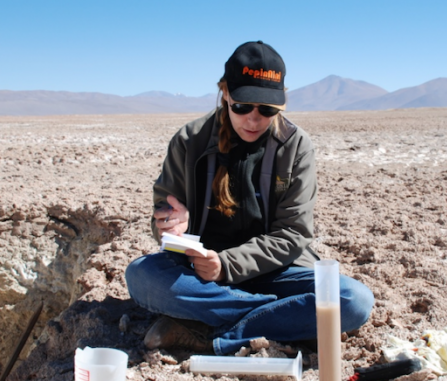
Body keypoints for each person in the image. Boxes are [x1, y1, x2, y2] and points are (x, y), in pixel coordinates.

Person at [125, 41, 374, 355]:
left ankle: (209, 332)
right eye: (242, 106)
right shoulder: (190, 141)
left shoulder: (294, 146)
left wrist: (226, 266)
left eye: (267, 109)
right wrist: (171, 225)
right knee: (142, 276)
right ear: (225, 93)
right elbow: (163, 215)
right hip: (201, 276)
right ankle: (283, 318)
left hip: (276, 272)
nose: (254, 120)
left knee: (353, 300)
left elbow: (293, 233)